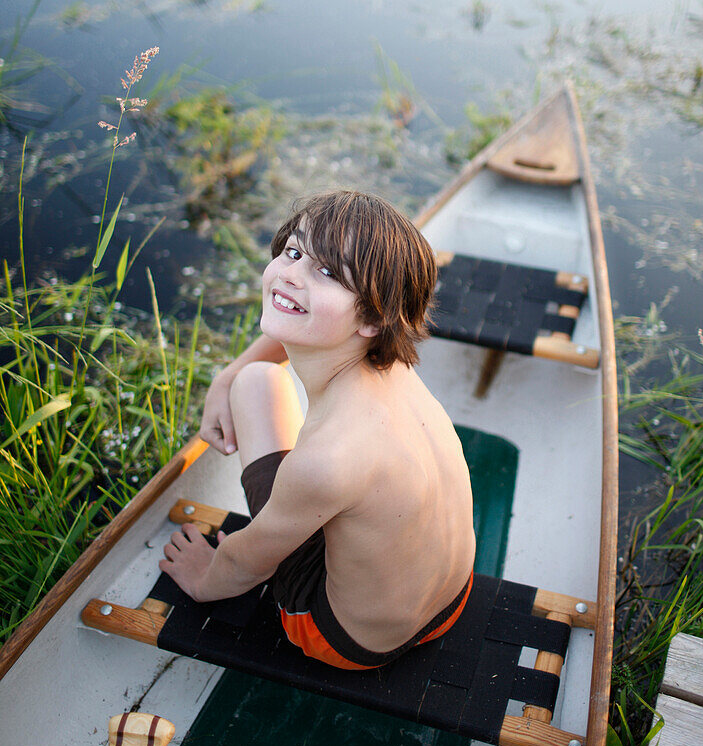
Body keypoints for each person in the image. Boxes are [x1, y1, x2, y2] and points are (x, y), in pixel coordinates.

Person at [160, 190, 475, 670]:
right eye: (293, 252)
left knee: (255, 386)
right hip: (451, 602)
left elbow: (250, 562)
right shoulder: (393, 366)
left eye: (326, 273)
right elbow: (303, 321)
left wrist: (206, 581)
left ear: (372, 317)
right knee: (248, 377)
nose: (290, 273)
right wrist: (225, 374)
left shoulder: (326, 459)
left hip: (352, 641)